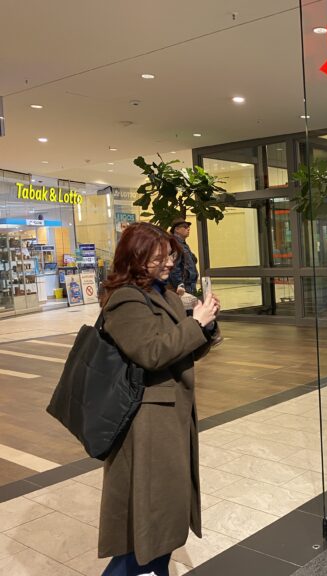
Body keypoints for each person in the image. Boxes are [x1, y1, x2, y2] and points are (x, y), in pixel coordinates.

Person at [97, 222, 220, 576]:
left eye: (170, 255)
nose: (169, 262)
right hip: (148, 423)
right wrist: (194, 323)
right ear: (136, 258)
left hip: (169, 415)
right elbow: (151, 353)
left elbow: (178, 352)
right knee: (150, 528)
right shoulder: (125, 299)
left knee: (161, 524)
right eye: (160, 257)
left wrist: (205, 325)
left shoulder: (160, 292)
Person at [168, 218, 199, 295]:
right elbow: (174, 267)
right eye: (185, 227)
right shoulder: (175, 244)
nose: (188, 229)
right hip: (182, 287)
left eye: (188, 227)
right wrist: (179, 284)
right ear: (177, 229)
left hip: (189, 285)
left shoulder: (182, 244)